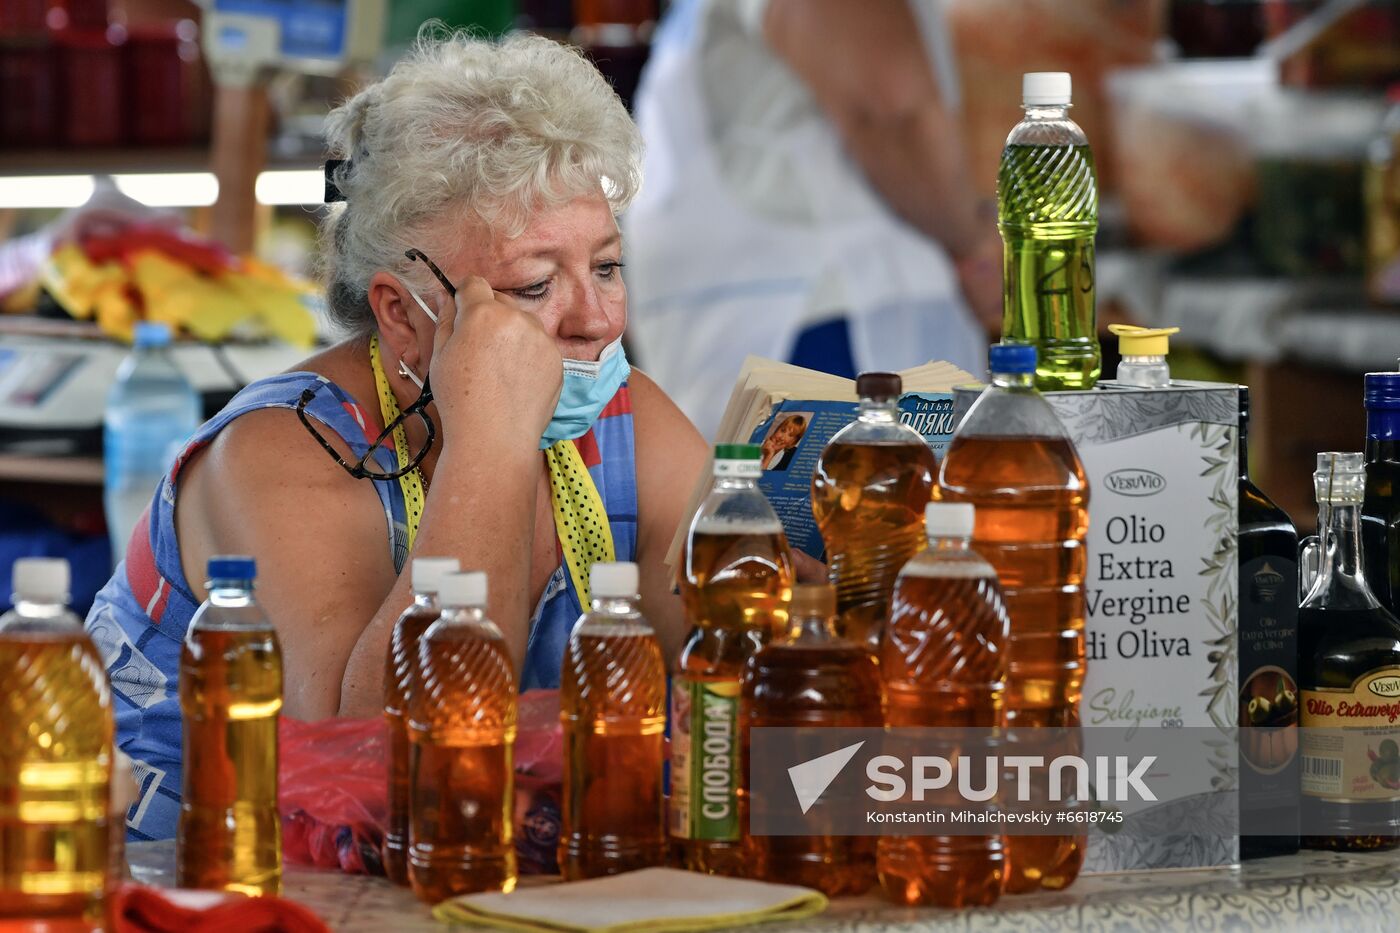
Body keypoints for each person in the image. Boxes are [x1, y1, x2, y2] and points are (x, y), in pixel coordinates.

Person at [83, 32, 710, 840]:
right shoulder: (281, 451)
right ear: (401, 316)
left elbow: (736, 693)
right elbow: (379, 778)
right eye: (534, 285)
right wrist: (492, 438)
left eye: (608, 267)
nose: (595, 321)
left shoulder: (628, 424)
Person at [622, 0, 1001, 439]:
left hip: (829, 333)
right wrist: (972, 243)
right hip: (819, 339)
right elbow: (890, 104)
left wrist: (970, 243)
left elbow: (891, 105)